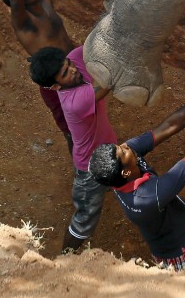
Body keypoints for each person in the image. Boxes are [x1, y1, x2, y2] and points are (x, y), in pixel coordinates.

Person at [89, 97, 185, 278]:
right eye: (123, 152)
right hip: (183, 248)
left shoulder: (120, 173)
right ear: (125, 173)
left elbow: (170, 125)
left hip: (170, 237)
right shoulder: (148, 197)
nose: (126, 146)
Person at [28, 45, 116, 253]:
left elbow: (94, 45)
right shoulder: (73, 102)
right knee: (83, 223)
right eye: (65, 73)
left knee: (137, 178)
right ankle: (65, 260)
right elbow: (109, 84)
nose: (74, 70)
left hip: (111, 155)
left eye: (69, 65)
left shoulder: (74, 61)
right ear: (55, 87)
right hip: (91, 171)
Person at [0, 0, 77, 156]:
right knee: (72, 132)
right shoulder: (24, 24)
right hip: (56, 83)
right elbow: (15, 1)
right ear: (18, 1)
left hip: (76, 65)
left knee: (89, 115)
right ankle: (83, 173)